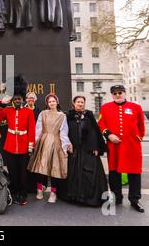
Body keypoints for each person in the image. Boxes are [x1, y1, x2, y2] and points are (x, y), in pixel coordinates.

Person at [98, 85, 146, 213]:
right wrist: (109, 135)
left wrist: (138, 138)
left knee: (134, 172)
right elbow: (101, 123)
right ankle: (117, 198)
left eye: (120, 92)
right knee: (114, 172)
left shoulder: (136, 107)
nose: (117, 95)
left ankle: (135, 199)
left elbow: (141, 126)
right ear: (112, 95)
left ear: (124, 93)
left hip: (132, 146)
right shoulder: (105, 107)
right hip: (114, 146)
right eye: (115, 93)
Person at [0, 76, 35, 205]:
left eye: (19, 99)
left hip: (23, 146)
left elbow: (31, 130)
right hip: (10, 145)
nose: (17, 101)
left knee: (22, 172)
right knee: (12, 171)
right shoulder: (8, 110)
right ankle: (14, 191)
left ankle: (22, 193)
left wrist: (30, 146)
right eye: (15, 99)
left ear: (22, 100)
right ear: (13, 100)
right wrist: (2, 103)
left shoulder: (28, 111)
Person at [59, 96, 108, 206]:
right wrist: (67, 144)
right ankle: (74, 197)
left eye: (82, 102)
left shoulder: (89, 115)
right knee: (73, 173)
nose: (80, 104)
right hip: (74, 149)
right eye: (78, 102)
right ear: (74, 103)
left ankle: (88, 198)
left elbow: (95, 132)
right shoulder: (68, 115)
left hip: (88, 149)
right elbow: (63, 131)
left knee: (89, 173)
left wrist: (96, 147)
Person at [28, 94, 73, 203]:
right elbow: (38, 129)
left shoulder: (62, 116)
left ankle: (53, 193)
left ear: (57, 102)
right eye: (49, 102)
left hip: (56, 142)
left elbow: (63, 132)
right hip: (43, 141)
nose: (52, 103)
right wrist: (34, 143)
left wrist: (65, 146)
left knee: (54, 168)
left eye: (53, 101)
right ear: (47, 104)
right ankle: (40, 189)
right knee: (40, 167)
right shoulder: (43, 114)